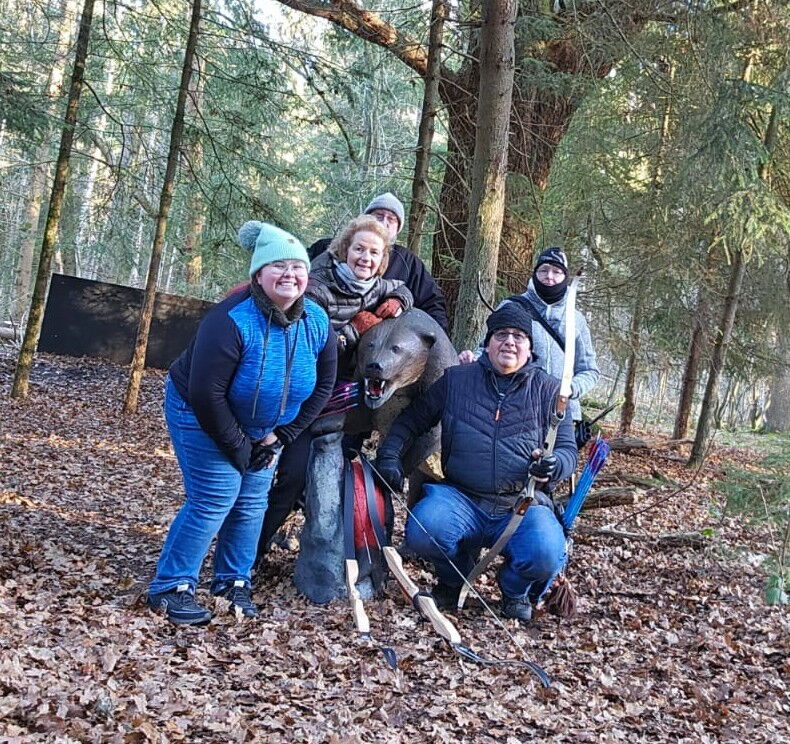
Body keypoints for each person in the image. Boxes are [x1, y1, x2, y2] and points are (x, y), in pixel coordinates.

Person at [146, 223, 336, 625]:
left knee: (251, 501)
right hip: (200, 414)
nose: (289, 275)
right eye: (278, 266)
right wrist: (239, 447)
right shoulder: (231, 320)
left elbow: (324, 385)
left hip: (266, 429)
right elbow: (207, 394)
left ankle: (233, 582)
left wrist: (280, 437)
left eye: (297, 267)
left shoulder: (317, 321)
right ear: (259, 274)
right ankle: (170, 587)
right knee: (216, 495)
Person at [375, 302, 577, 622]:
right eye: (501, 334)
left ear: (530, 348)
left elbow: (567, 450)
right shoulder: (457, 380)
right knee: (426, 529)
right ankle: (453, 580)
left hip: (520, 503)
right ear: (488, 343)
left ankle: (514, 591)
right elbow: (411, 421)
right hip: (462, 498)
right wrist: (389, 456)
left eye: (518, 336)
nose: (509, 342)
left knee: (546, 552)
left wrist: (553, 465)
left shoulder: (550, 391)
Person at [257, 215, 414, 556]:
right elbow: (312, 345)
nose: (365, 258)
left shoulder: (375, 286)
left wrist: (399, 302)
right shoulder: (318, 286)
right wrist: (355, 329)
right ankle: (252, 549)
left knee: (328, 475)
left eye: (374, 253)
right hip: (301, 396)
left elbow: (402, 288)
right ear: (345, 250)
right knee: (290, 476)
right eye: (359, 249)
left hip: (341, 399)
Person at [459, 247, 599, 430]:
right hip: (516, 410)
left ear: (565, 276)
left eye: (556, 272)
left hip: (561, 414)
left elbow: (590, 371)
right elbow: (486, 348)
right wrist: (473, 360)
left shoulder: (576, 319)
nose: (549, 276)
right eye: (544, 270)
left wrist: (570, 389)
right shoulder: (512, 306)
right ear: (535, 273)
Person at [308, 193, 449, 333]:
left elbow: (431, 302)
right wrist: (353, 330)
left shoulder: (408, 262)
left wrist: (398, 300)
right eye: (379, 215)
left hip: (384, 342)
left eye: (391, 219)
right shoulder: (325, 250)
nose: (384, 222)